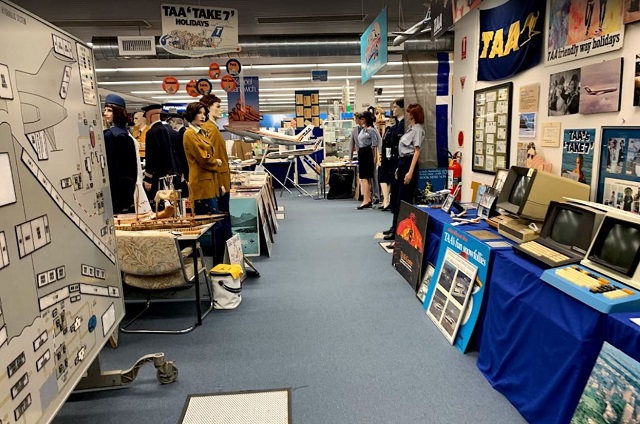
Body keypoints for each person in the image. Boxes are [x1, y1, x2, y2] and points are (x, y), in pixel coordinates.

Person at [103, 94, 149, 214]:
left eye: (109, 110)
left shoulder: (111, 135)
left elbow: (112, 166)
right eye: (105, 110)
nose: (105, 113)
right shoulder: (125, 134)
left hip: (116, 188)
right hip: (128, 186)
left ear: (117, 112)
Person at [384, 103, 424, 242]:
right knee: (398, 198)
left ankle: (402, 237)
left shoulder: (418, 130)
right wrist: (398, 168)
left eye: (409, 112)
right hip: (402, 163)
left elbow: (416, 151)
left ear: (414, 114)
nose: (407, 114)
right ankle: (396, 230)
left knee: (405, 200)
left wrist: (410, 171)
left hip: (409, 164)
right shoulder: (410, 129)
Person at [200, 94, 232, 260]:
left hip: (222, 180)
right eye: (217, 106)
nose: (221, 110)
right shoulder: (209, 129)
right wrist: (219, 183)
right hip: (219, 182)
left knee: (224, 222)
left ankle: (226, 259)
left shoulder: (212, 128)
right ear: (208, 108)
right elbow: (211, 158)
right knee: (221, 224)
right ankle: (222, 260)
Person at [141, 104, 185, 204]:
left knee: (160, 205)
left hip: (159, 177)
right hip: (174, 175)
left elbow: (151, 156)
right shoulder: (172, 131)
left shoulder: (152, 132)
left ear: (150, 115)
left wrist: (148, 178)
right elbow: (180, 154)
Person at [182, 102, 221, 215]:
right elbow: (203, 158)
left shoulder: (201, 133)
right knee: (209, 221)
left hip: (208, 182)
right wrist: (216, 162)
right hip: (201, 184)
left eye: (204, 113)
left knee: (214, 220)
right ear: (191, 114)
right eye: (199, 113)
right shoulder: (189, 134)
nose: (203, 116)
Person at [379, 98, 405, 214]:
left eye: (395, 107)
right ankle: (394, 225)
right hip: (393, 159)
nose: (393, 110)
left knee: (399, 193)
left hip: (401, 160)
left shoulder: (404, 126)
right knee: (394, 192)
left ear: (402, 108)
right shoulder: (395, 126)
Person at [355, 111, 381, 209]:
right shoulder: (362, 130)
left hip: (367, 153)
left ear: (366, 119)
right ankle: (368, 199)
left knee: (365, 177)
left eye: (362, 119)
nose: (360, 121)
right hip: (361, 153)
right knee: (364, 177)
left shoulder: (371, 130)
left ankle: (366, 200)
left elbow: (375, 144)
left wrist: (375, 157)